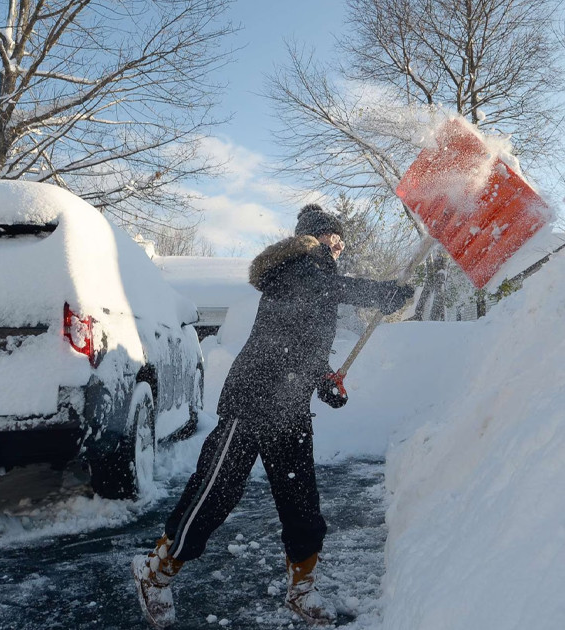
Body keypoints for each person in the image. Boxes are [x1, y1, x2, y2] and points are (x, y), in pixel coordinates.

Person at [132, 204, 415, 628]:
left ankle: (302, 587)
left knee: (302, 502)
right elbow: (322, 289)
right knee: (216, 492)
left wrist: (323, 380)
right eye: (334, 238)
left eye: (341, 241)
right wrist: (381, 293)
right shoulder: (295, 268)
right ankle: (155, 573)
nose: (339, 246)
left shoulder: (319, 281)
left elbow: (301, 345)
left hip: (290, 407)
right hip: (252, 401)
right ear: (314, 237)